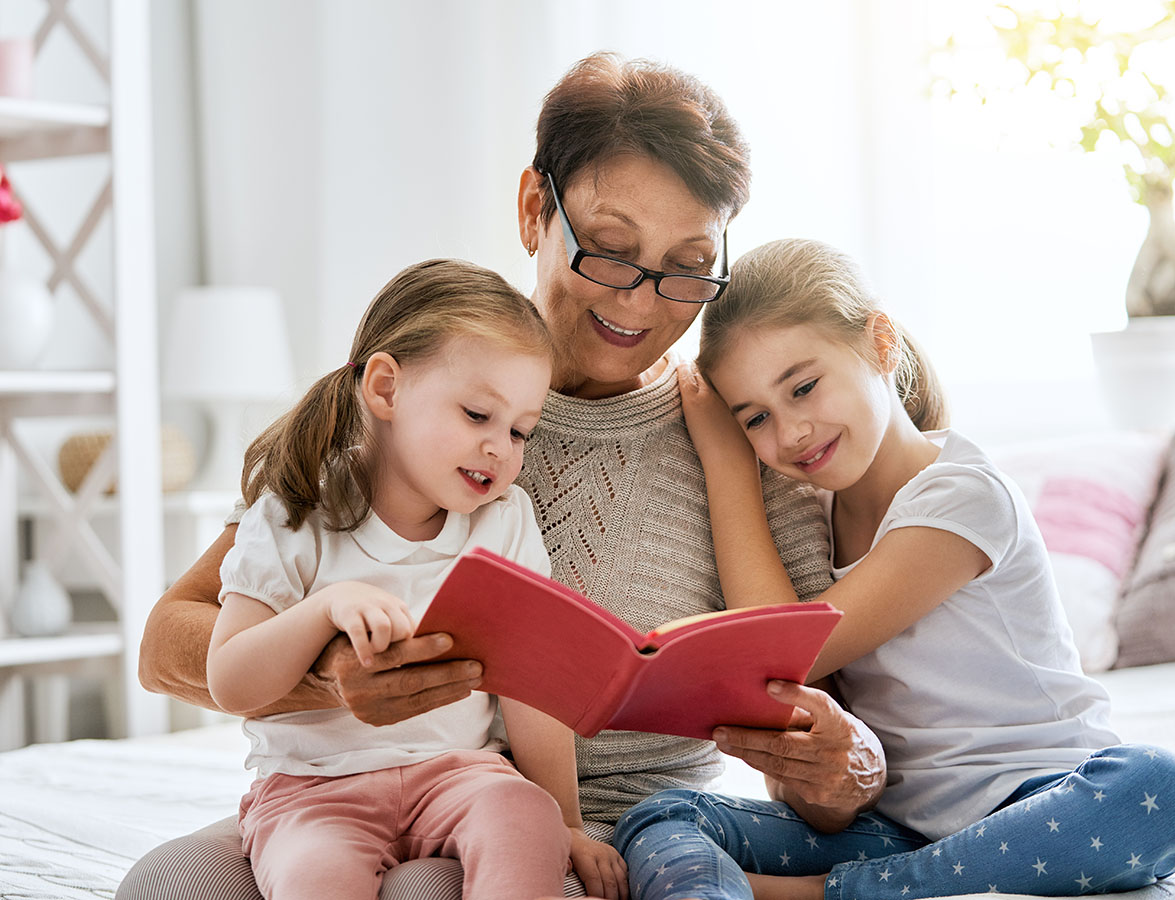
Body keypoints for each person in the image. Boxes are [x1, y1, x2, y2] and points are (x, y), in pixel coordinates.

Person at [120, 55, 885, 900]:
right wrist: (335, 669)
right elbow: (168, 646)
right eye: (610, 250)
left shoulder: (745, 430)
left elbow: (820, 756)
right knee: (168, 884)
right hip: (354, 782)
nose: (640, 301)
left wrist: (838, 773)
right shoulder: (432, 396)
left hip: (608, 825)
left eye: (687, 265)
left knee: (431, 889)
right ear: (534, 211)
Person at [612, 238, 1175, 899]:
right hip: (898, 827)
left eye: (804, 387)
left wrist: (727, 462)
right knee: (662, 816)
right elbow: (799, 710)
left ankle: (827, 894)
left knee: (1161, 787)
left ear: (880, 343)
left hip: (1045, 805)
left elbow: (794, 652)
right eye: (754, 420)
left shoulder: (962, 494)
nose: (791, 433)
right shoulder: (810, 521)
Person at [204, 257, 629, 900]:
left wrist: (566, 819)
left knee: (525, 819)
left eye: (520, 431)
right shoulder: (293, 512)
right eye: (477, 415)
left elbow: (531, 691)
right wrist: (327, 609)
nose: (501, 449)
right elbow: (230, 681)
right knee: (313, 877)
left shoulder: (504, 521)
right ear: (386, 389)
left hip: (459, 774)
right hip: (314, 790)